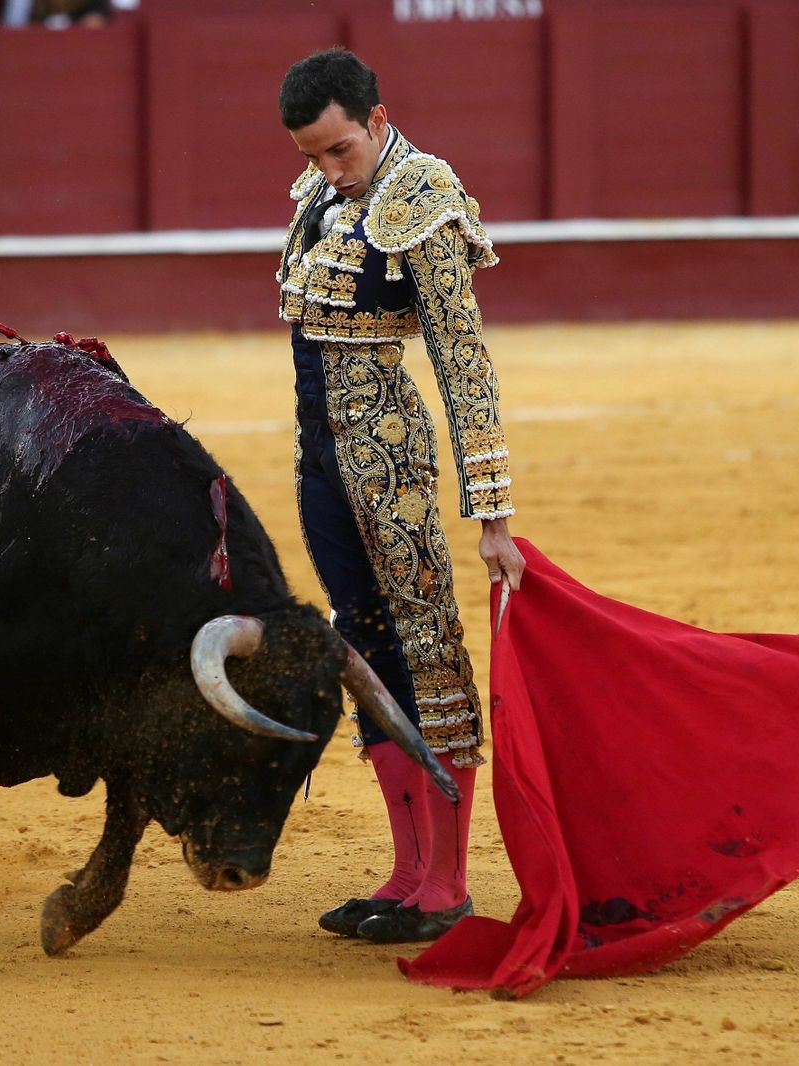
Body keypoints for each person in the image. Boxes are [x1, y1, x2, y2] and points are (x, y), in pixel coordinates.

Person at [276, 47, 524, 944]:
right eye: (312, 155)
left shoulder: (425, 196)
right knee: (365, 643)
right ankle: (407, 868)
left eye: (340, 150)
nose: (327, 171)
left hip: (389, 461)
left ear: (377, 120)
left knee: (426, 649)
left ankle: (448, 880)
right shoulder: (320, 198)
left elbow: (463, 362)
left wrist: (493, 515)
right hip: (320, 460)